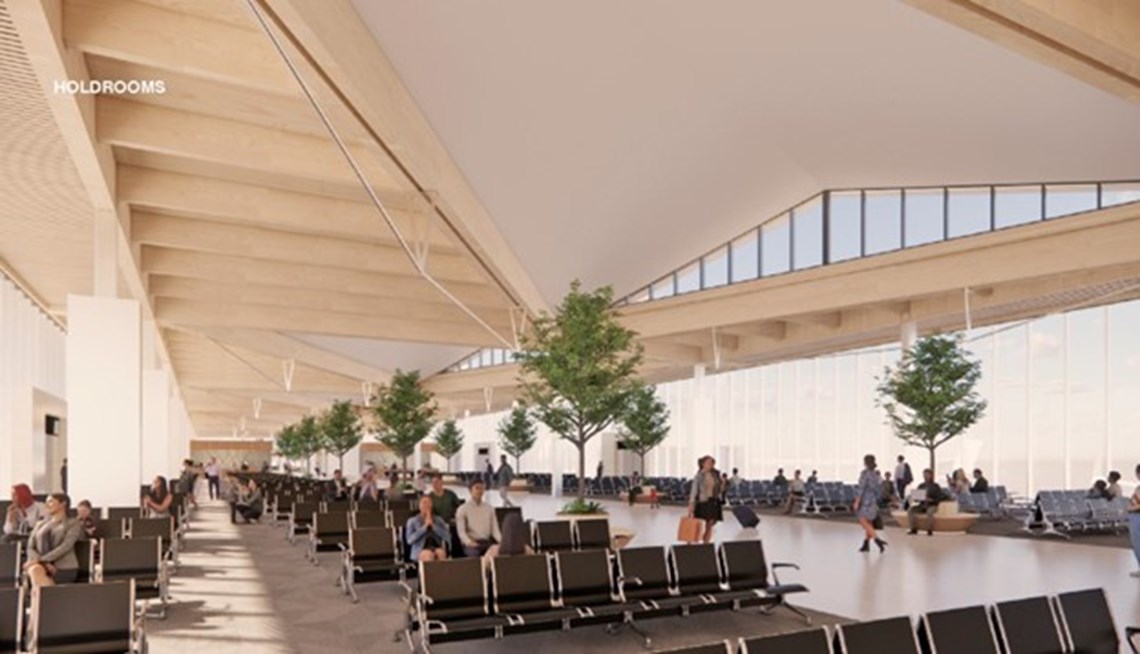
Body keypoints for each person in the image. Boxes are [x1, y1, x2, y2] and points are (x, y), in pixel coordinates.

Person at [23, 493, 82, 587]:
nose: (47, 505)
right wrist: (43, 563)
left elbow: (66, 546)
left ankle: (43, 598)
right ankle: (48, 598)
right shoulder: (40, 524)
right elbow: (30, 546)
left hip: (63, 567)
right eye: (46, 502)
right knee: (34, 569)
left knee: (35, 571)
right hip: (41, 565)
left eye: (50, 501)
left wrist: (42, 560)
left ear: (63, 504)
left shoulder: (73, 523)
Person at [455, 479, 501, 557]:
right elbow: (461, 532)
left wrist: (502, 542)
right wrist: (469, 542)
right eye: (477, 488)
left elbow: (495, 530)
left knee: (499, 552)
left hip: (486, 542)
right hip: (472, 543)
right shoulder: (462, 509)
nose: (480, 491)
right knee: (474, 554)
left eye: (482, 488)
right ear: (470, 491)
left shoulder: (489, 508)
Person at [854, 454, 887, 553]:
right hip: (873, 502)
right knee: (869, 523)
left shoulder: (865, 474)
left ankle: (877, 540)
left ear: (865, 462)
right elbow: (879, 490)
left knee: (863, 521)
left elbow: (861, 488)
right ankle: (866, 544)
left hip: (865, 502)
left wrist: (857, 501)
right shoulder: (876, 475)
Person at [687, 456, 723, 544]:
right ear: (703, 464)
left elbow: (719, 490)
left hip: (713, 501)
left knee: (710, 523)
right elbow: (694, 490)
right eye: (708, 463)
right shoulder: (699, 476)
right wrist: (691, 503)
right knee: (698, 523)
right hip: (703, 501)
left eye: (712, 463)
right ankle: (691, 540)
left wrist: (722, 484)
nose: (711, 465)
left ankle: (706, 542)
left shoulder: (715, 475)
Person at [406, 495, 450, 563]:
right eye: (424, 503)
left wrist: (433, 526)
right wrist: (425, 527)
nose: (426, 505)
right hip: (420, 550)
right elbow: (409, 540)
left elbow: (447, 536)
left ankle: (442, 573)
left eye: (429, 503)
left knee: (441, 553)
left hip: (436, 547)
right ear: (419, 506)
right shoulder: (412, 521)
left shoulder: (438, 520)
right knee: (428, 555)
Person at [907, 469, 948, 536]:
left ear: (931, 475)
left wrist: (931, 500)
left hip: (932, 505)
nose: (925, 476)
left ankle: (929, 530)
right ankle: (913, 528)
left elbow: (940, 497)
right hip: (922, 504)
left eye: (927, 475)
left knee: (930, 512)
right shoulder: (921, 486)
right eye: (924, 475)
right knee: (910, 510)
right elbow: (917, 497)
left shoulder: (935, 486)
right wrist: (916, 498)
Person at [1128, 463, 1140, 578]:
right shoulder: (1138, 488)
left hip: (1137, 516)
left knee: (1137, 543)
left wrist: (1131, 508)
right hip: (1135, 516)